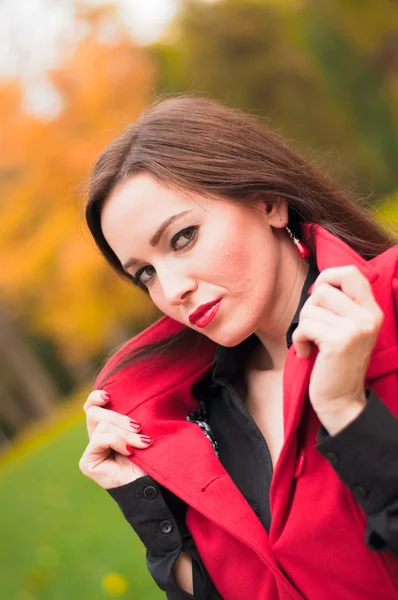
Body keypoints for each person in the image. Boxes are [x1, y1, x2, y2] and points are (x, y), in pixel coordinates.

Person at [79, 96, 398, 600]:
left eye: (182, 238)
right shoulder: (196, 415)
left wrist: (347, 412)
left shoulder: (391, 308)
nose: (171, 289)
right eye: (145, 274)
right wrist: (142, 499)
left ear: (268, 202)